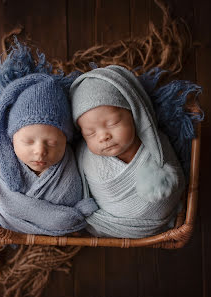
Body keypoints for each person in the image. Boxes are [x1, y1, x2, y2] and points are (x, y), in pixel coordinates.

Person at [69, 65, 185, 238]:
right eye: (90, 133)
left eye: (113, 123)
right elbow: (82, 193)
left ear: (134, 115)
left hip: (159, 222)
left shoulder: (155, 144)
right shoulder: (85, 157)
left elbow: (175, 185)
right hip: (107, 226)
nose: (103, 136)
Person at [0, 47, 97, 236]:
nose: (40, 151)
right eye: (28, 141)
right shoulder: (6, 169)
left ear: (67, 141)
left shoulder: (72, 169)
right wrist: (67, 218)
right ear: (11, 138)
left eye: (52, 143)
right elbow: (5, 204)